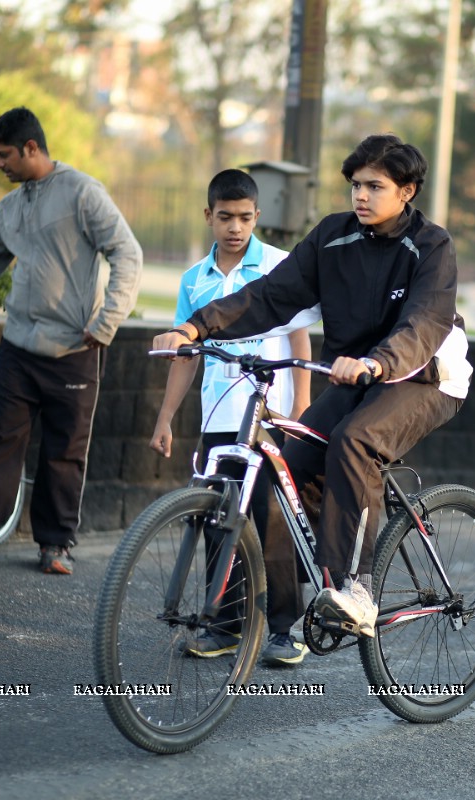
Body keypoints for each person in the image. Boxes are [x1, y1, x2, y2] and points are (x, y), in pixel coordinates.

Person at [153, 134, 472, 637]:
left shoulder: (431, 246)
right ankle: (285, 615)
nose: (360, 196)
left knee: (355, 440)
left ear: (407, 191)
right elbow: (270, 296)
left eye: (375, 186)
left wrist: (377, 363)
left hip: (426, 375)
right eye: (355, 185)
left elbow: (423, 325)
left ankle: (358, 590)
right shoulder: (332, 236)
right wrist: (196, 327)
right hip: (355, 373)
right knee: (286, 471)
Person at [0, 107, 142, 575]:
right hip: (18, 349)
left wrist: (108, 321)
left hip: (76, 350)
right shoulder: (9, 208)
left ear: (31, 148)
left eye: (3, 154)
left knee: (65, 451)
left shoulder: (83, 193)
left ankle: (55, 545)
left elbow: (127, 252)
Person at [150, 168, 313, 666]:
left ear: (257, 216)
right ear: (209, 217)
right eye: (225, 217)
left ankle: (285, 629)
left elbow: (299, 335)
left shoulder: (279, 266)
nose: (235, 227)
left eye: (245, 217)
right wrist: (166, 418)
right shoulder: (193, 280)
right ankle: (223, 623)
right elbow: (186, 354)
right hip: (216, 418)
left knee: (271, 519)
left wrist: (302, 406)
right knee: (218, 517)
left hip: (269, 413)